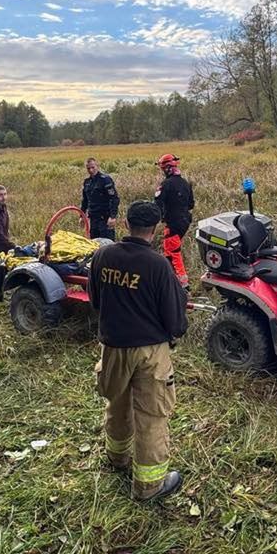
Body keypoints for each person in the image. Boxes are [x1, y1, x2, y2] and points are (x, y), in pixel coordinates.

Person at [89, 201, 188, 502]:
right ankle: (149, 487)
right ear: (155, 229)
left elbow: (95, 300)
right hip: (149, 353)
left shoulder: (103, 255)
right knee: (151, 416)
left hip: (113, 348)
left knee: (117, 405)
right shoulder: (158, 265)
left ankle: (117, 458)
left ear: (125, 224)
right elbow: (174, 319)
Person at [153, 153, 195, 287]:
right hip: (185, 221)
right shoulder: (186, 183)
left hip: (173, 222)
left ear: (167, 168)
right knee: (170, 249)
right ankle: (170, 278)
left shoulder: (165, 184)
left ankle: (182, 284)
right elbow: (191, 204)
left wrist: (155, 219)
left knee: (172, 252)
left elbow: (157, 204)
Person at [81, 157, 120, 241]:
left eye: (93, 167)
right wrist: (82, 215)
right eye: (88, 168)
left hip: (105, 219)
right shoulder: (87, 182)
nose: (91, 170)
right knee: (94, 245)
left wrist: (113, 216)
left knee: (108, 245)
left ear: (97, 166)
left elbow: (114, 198)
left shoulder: (105, 180)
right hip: (93, 219)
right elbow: (85, 201)